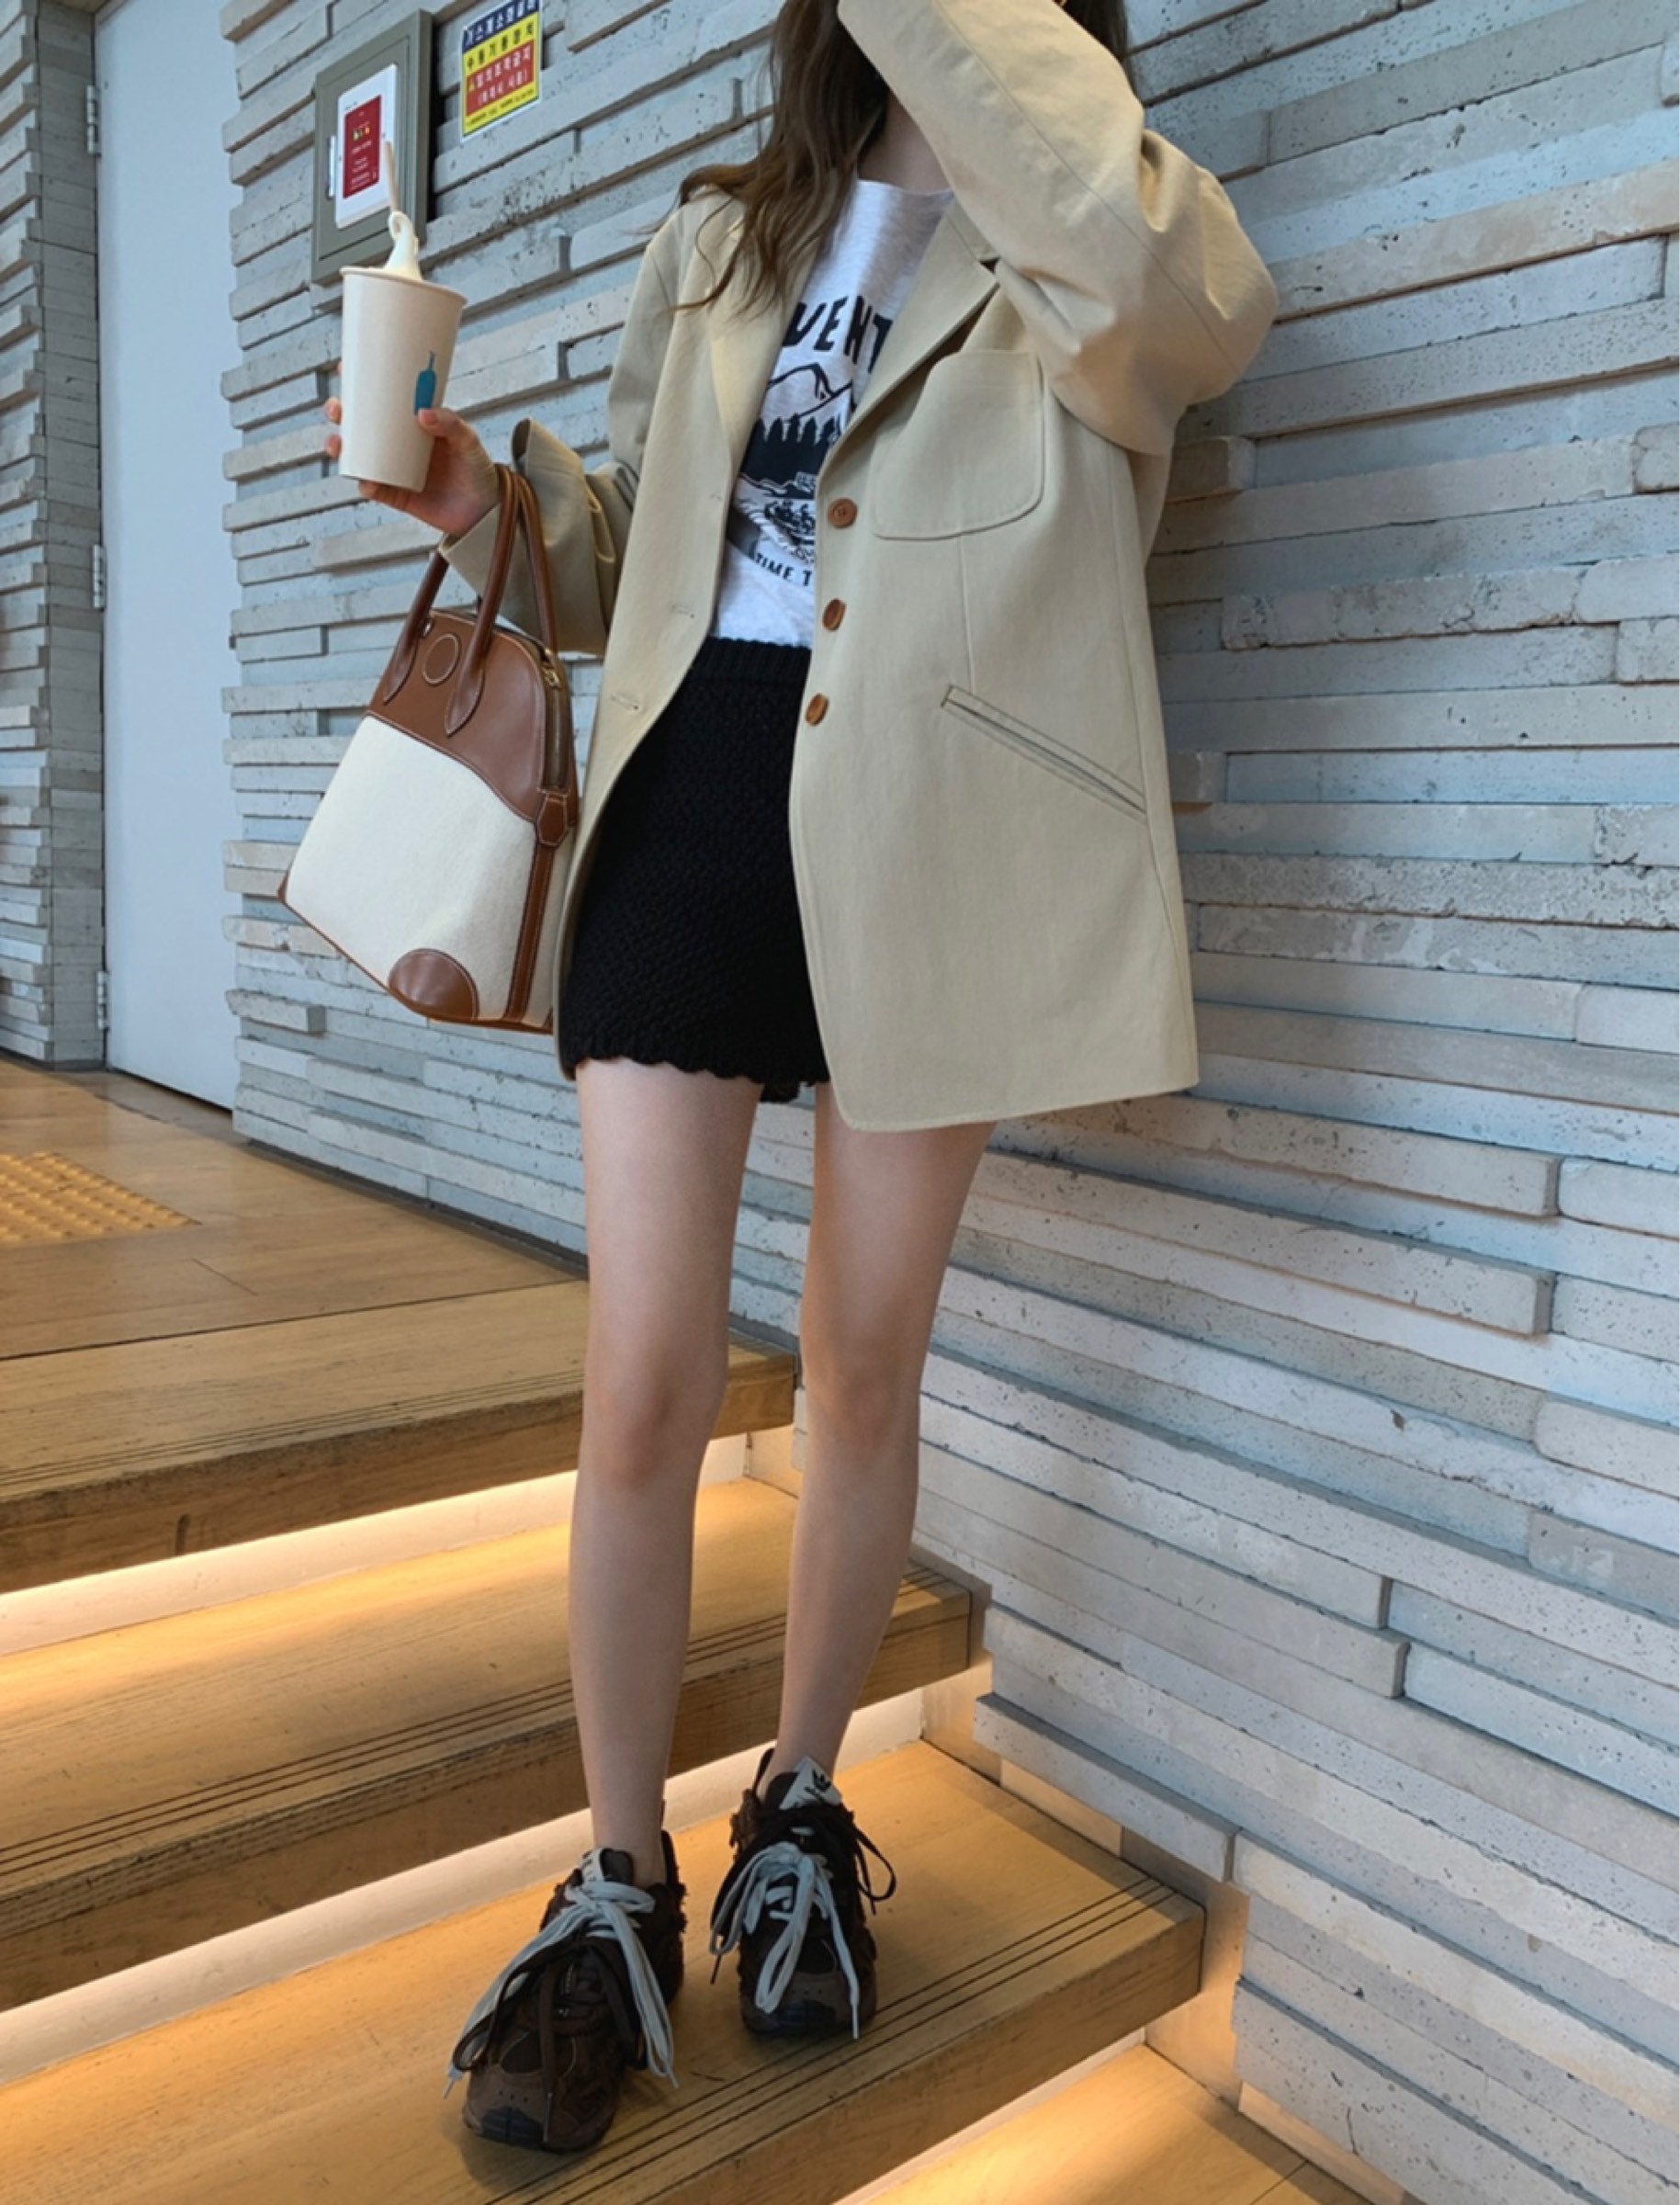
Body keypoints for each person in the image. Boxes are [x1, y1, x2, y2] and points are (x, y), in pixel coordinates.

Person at [323, 0, 1277, 2161]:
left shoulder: (1096, 222)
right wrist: (486, 498)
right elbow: (638, 547)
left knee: (861, 1362)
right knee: (644, 1378)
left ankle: (801, 1809)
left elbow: (1194, 312)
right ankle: (617, 1882)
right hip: (692, 811)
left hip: (939, 829)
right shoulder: (725, 234)